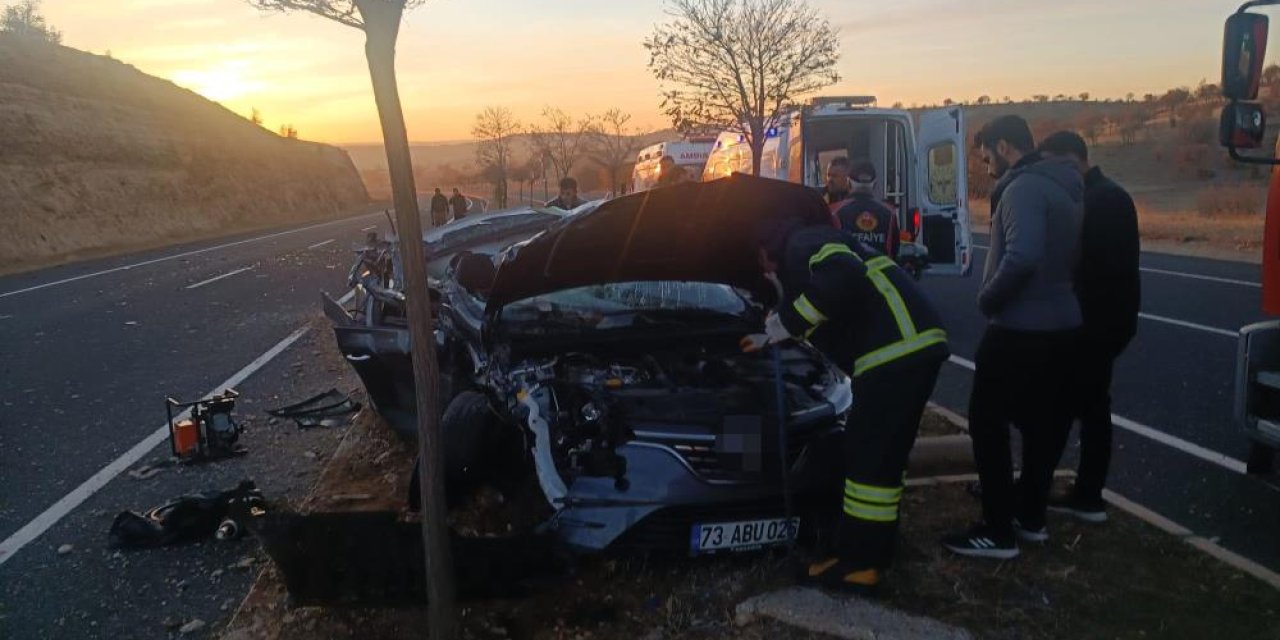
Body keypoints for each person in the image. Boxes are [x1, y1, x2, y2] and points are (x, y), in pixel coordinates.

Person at [744, 219, 949, 594]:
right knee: (879, 457)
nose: (764, 271)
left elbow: (844, 277)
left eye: (761, 262)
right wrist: (772, 331)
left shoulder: (802, 242)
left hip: (896, 351)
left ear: (768, 247)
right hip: (907, 348)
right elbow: (828, 304)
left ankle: (860, 563)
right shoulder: (809, 252)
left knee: (870, 457)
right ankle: (868, 552)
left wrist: (786, 322)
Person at [941, 115, 1084, 559]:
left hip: (1020, 327)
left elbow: (1022, 256)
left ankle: (997, 529)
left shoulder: (1023, 189)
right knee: (1042, 424)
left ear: (1004, 147)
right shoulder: (1067, 187)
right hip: (1063, 324)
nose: (987, 167)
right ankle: (1030, 516)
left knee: (987, 421)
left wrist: (988, 298)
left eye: (987, 157)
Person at [1038, 131, 1140, 522]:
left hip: (1093, 323)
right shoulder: (1101, 196)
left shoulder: (1103, 200)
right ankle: (1079, 491)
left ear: (1070, 159)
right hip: (1098, 320)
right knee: (1083, 405)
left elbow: (1091, 268)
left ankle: (1082, 495)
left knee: (1076, 407)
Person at [833, 159, 900, 259]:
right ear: (875, 184)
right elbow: (895, 250)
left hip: (847, 268)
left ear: (848, 182)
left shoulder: (835, 211)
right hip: (882, 268)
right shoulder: (890, 213)